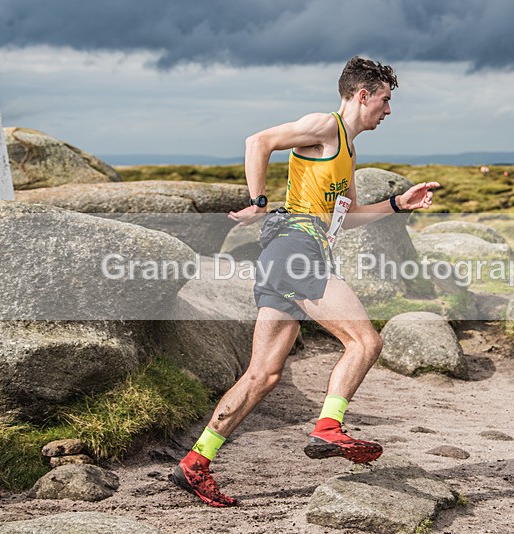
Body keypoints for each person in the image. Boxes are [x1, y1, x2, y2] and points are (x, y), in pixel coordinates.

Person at [169, 56, 440, 507]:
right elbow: (259, 141)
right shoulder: (325, 126)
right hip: (296, 251)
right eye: (386, 100)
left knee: (263, 375)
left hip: (290, 256)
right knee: (366, 343)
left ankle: (196, 462)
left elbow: (346, 218)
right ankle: (329, 427)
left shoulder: (348, 150)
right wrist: (258, 201)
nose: (388, 111)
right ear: (362, 95)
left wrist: (398, 204)